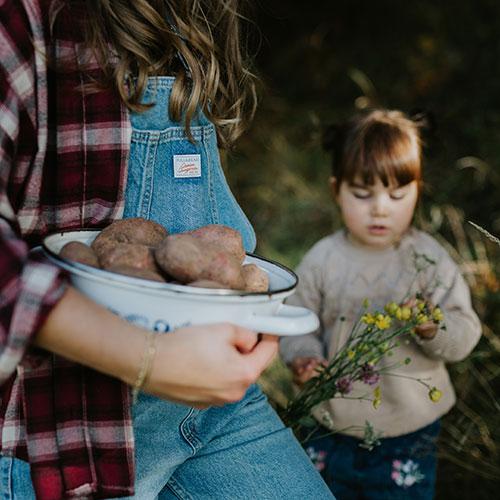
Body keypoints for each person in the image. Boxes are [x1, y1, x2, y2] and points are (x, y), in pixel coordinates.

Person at [0, 1, 334, 498]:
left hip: (209, 407)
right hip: (58, 429)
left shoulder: (193, 17)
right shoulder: (25, 18)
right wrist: (148, 359)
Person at [280, 109, 482, 499]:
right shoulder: (323, 259)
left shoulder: (428, 259)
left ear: (417, 190)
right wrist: (302, 357)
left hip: (409, 430)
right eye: (362, 193)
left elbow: (465, 331)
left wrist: (432, 328)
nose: (380, 208)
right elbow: (296, 318)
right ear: (336, 189)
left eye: (397, 194)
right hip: (330, 425)